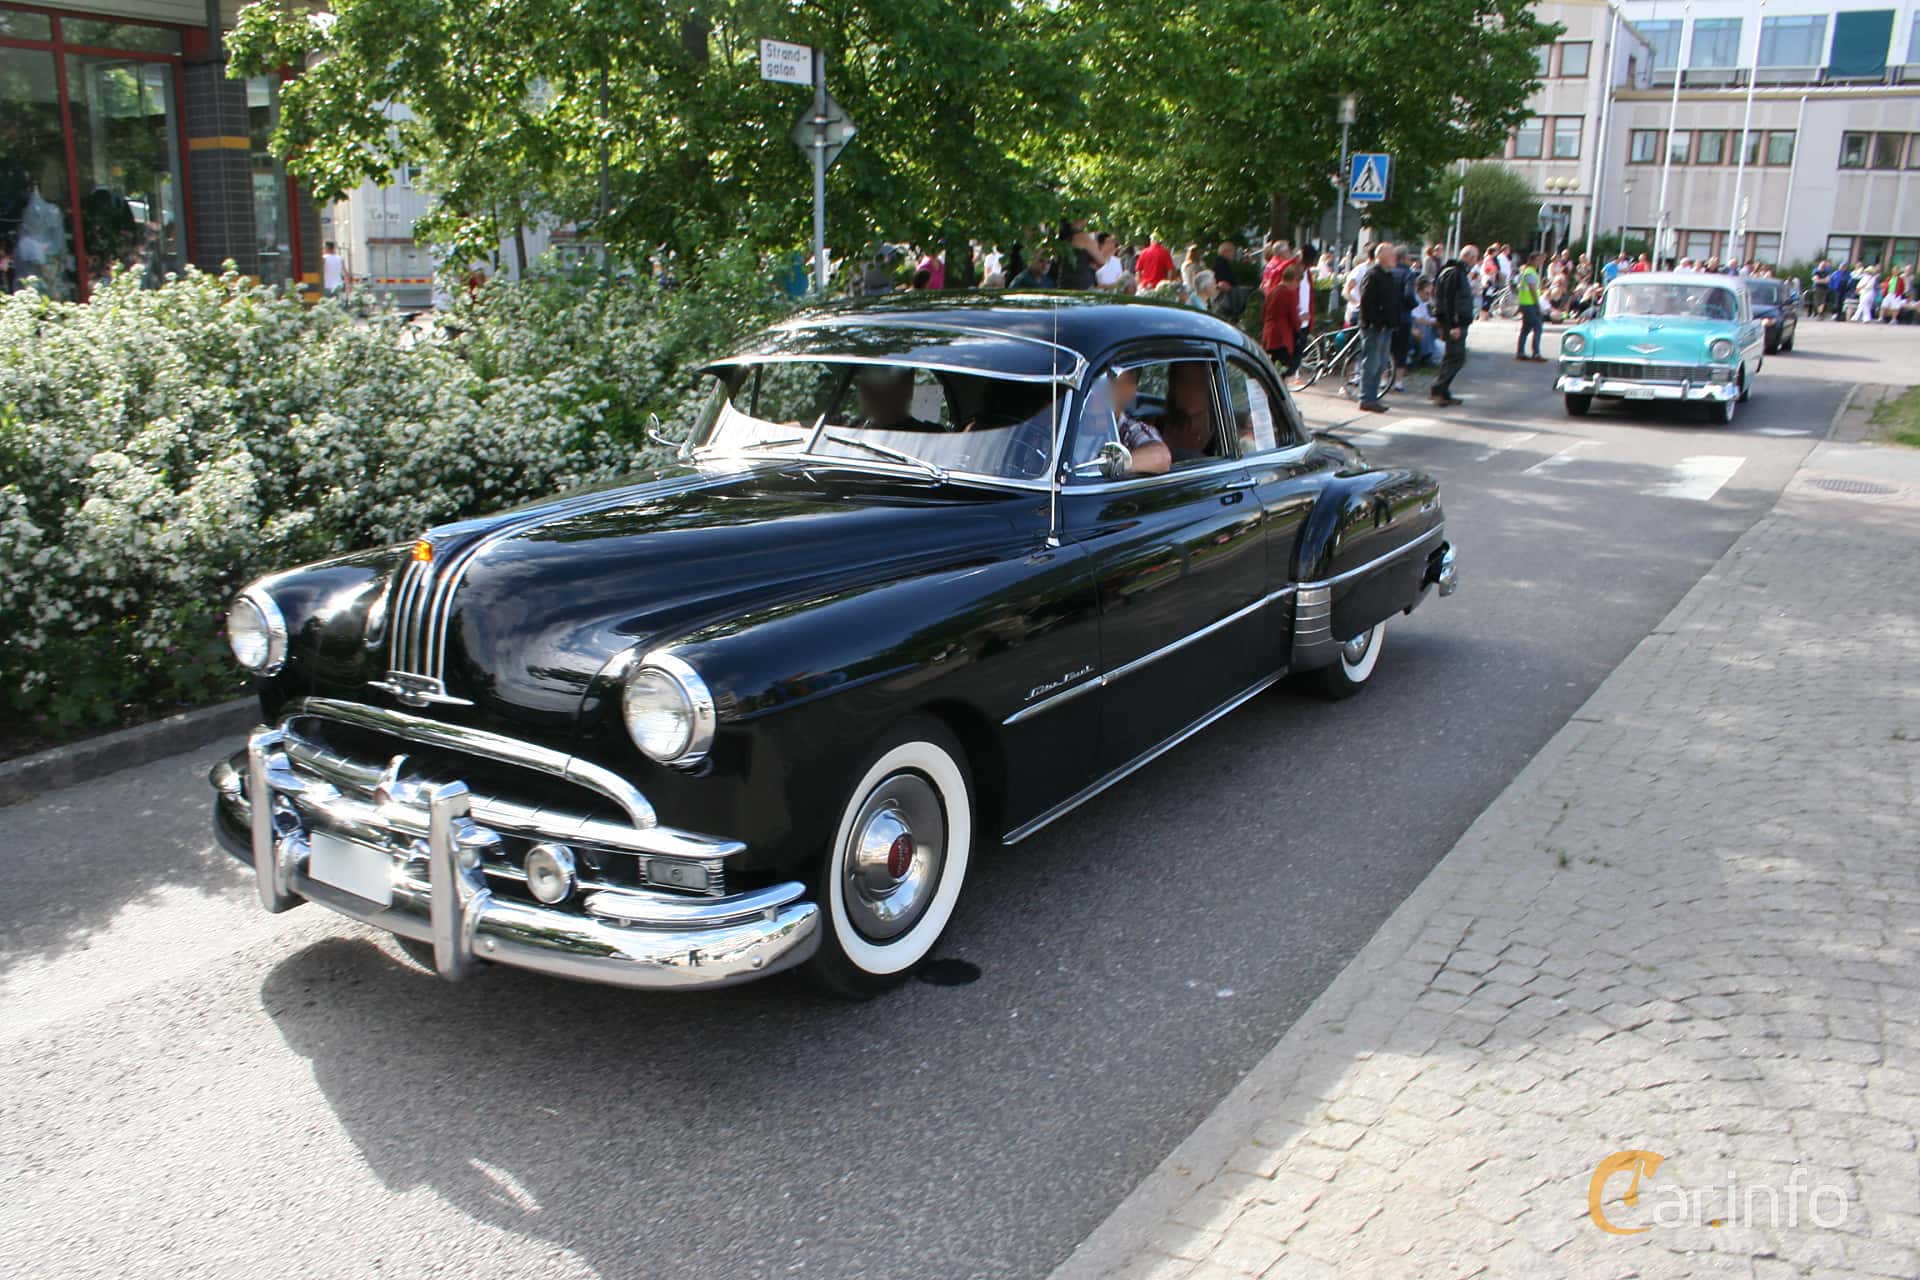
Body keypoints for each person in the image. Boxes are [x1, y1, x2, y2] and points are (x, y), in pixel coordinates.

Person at [1430, 244, 1479, 407]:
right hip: (1454, 324)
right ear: (1469, 257)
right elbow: (1449, 301)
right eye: (1474, 258)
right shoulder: (1454, 273)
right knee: (1456, 357)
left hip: (1454, 322)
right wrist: (1454, 325)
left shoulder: (1455, 272)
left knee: (1452, 357)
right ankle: (1438, 390)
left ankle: (1443, 391)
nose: (1475, 262)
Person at [1356, 242, 1403, 413]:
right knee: (1372, 364)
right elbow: (1367, 303)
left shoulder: (1388, 275)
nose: (1394, 258)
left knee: (1381, 363)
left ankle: (1373, 397)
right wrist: (1376, 323)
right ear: (1380, 256)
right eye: (1391, 255)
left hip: (1386, 327)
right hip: (1374, 328)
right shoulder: (1373, 275)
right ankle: (1366, 398)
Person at [1104, 368, 1172, 475]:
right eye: (1094, 382)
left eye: (1111, 381)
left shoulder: (1128, 430)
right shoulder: (1070, 425)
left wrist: (1110, 465)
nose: (1099, 389)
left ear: (1130, 391)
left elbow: (1161, 456)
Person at [1156, 362, 1218, 460]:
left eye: (1199, 382)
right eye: (1184, 381)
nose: (1191, 389)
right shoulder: (1154, 429)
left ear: (1212, 388)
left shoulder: (1224, 436)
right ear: (1173, 387)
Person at [1262, 262, 1305, 374]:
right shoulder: (1288, 293)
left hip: (1269, 335)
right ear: (1294, 279)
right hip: (1282, 337)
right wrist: (1301, 321)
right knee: (1283, 370)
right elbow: (1294, 319)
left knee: (1271, 369)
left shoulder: (1273, 291)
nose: (1298, 285)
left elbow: (1264, 312)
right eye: (1298, 282)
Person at [1515, 251, 1545, 361]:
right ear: (1532, 260)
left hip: (1526, 303)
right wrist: (1538, 305)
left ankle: (1520, 352)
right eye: (1538, 260)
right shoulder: (1529, 272)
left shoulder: (1528, 271)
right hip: (1530, 304)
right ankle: (1536, 353)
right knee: (1538, 327)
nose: (1540, 262)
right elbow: (1532, 289)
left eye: (1541, 260)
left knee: (1526, 328)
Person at [1409, 279, 1443, 365]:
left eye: (1431, 293)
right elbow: (1416, 319)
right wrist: (1432, 322)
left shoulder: (1425, 302)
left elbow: (1428, 316)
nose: (1429, 296)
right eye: (1427, 293)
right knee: (1425, 327)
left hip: (1419, 330)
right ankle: (1425, 356)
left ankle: (1430, 353)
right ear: (1419, 291)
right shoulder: (1415, 301)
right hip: (1413, 330)